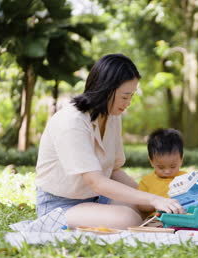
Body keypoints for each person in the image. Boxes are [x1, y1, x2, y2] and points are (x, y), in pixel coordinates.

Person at [35, 54, 184, 230]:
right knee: (128, 219)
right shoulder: (71, 122)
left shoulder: (112, 115)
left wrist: (152, 196)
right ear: (106, 90)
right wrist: (152, 198)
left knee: (143, 209)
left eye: (131, 96)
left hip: (96, 198)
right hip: (61, 205)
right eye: (125, 96)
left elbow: (113, 170)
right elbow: (96, 181)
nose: (128, 103)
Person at [137, 128, 188, 214]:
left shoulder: (187, 178)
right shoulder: (146, 181)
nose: (167, 171)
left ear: (181, 159)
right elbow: (140, 205)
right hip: (157, 220)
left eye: (173, 166)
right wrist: (156, 203)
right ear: (151, 161)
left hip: (183, 217)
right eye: (161, 167)